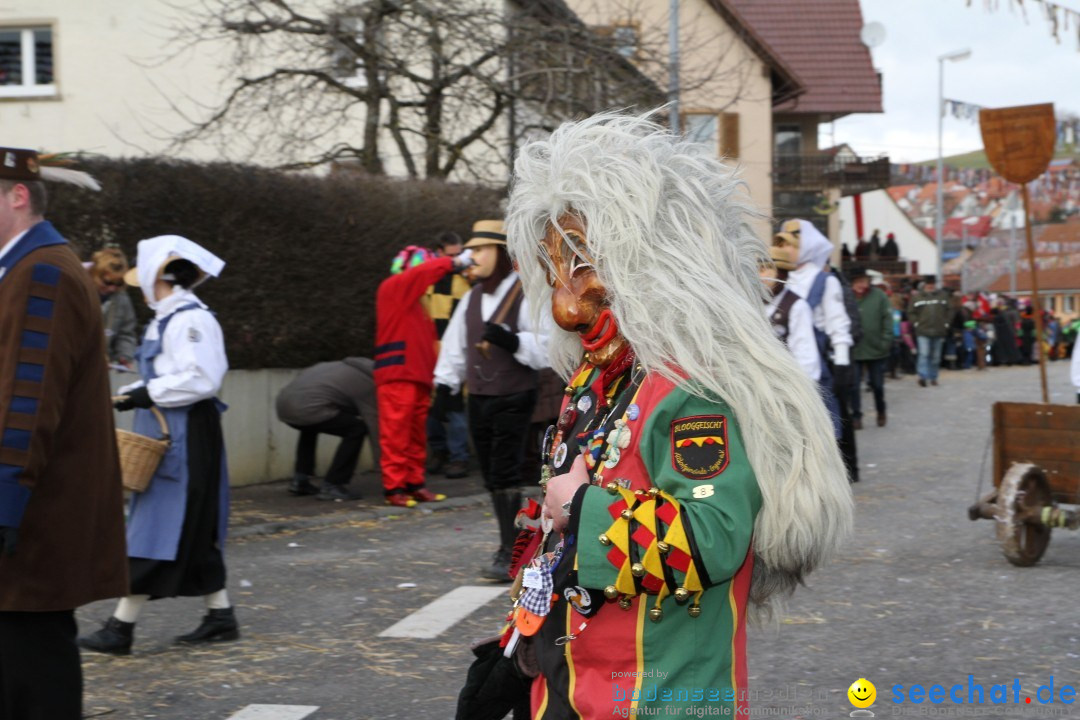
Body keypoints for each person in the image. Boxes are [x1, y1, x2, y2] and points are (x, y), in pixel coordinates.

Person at [473, 112, 851, 719]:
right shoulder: (596, 378)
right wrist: (525, 644)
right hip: (570, 687)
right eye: (554, 271)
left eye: (585, 267)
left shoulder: (690, 391)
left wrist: (583, 509)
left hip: (657, 699)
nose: (567, 305)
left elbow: (714, 538)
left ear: (649, 263)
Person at [0, 147, 128, 719]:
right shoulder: (31, 266)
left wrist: (2, 505)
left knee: (31, 674)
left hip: (30, 523)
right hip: (34, 516)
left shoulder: (41, 272)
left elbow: (25, 405)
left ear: (17, 195)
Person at [79, 235, 237, 655]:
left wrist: (147, 393)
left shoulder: (190, 320)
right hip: (171, 428)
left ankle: (120, 627)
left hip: (183, 433)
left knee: (158, 527)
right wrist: (135, 391)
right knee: (191, 526)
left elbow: (202, 379)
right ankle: (221, 616)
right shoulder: (172, 317)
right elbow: (171, 374)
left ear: (156, 278)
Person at [434, 220, 550, 581]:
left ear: (500, 253)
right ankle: (511, 545)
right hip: (480, 396)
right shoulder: (471, 297)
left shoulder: (527, 293)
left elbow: (547, 347)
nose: (473, 257)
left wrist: (514, 342)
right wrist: (445, 385)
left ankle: (509, 551)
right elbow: (455, 345)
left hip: (514, 393)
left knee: (505, 471)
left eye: (481, 250)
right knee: (490, 474)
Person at [374, 245, 473, 508]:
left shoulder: (414, 301)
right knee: (397, 432)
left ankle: (413, 484)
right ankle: (394, 487)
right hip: (399, 375)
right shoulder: (394, 288)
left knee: (416, 434)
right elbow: (422, 273)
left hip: (414, 376)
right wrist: (453, 262)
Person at [780, 218, 859, 482]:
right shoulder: (783, 279)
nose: (786, 250)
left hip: (821, 359)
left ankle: (843, 468)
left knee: (832, 413)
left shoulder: (825, 281)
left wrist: (843, 362)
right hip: (790, 356)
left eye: (790, 245)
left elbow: (838, 324)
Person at [276, 358, 379, 501]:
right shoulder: (368, 381)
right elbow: (374, 423)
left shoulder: (334, 366)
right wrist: (383, 467)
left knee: (309, 426)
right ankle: (333, 485)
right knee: (357, 429)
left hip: (283, 406)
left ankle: (300, 480)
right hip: (308, 407)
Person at [426, 232, 472, 479]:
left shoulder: (467, 281)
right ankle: (439, 452)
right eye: (450, 255)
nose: (456, 260)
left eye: (458, 254)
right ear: (439, 252)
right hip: (430, 353)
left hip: (454, 353)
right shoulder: (428, 281)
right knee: (432, 408)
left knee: (454, 408)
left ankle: (458, 457)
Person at [760, 247, 820, 382]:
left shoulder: (797, 306)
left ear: (782, 274)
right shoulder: (751, 303)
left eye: (767, 269)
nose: (761, 276)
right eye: (758, 270)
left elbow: (805, 354)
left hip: (785, 383)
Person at [849, 266, 892, 428]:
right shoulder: (847, 296)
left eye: (864, 281)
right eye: (858, 282)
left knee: (877, 385)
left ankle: (881, 411)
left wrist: (885, 341)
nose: (861, 285)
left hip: (876, 349)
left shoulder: (879, 296)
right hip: (855, 349)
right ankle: (856, 416)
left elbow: (888, 320)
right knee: (854, 386)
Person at [86, 247, 138, 368]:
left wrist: (124, 355)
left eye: (118, 284)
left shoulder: (121, 298)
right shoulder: (77, 290)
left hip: (100, 368)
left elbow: (126, 332)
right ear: (95, 274)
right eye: (107, 282)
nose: (112, 288)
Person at [909, 276, 951, 387]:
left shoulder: (943, 296)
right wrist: (916, 323)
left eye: (932, 283)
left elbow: (950, 310)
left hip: (939, 330)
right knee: (924, 354)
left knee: (936, 357)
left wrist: (946, 323)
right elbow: (911, 312)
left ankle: (933, 377)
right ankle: (922, 376)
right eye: (928, 283)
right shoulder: (917, 297)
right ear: (925, 284)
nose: (930, 285)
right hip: (923, 330)